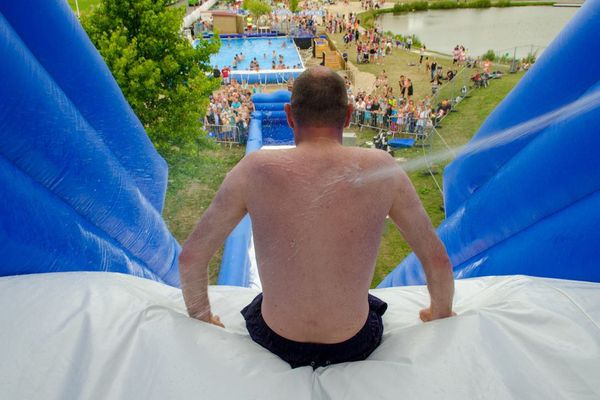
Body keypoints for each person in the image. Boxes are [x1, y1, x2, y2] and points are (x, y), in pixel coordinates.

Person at [179, 66, 455, 370]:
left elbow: (192, 257)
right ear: (348, 115)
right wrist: (439, 315)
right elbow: (437, 260)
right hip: (353, 341)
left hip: (275, 338)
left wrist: (203, 317)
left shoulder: (252, 170)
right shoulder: (382, 169)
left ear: (289, 114)